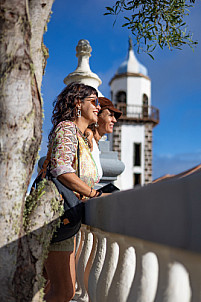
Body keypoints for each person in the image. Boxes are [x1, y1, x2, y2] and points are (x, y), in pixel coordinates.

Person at [44, 82, 105, 302]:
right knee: (63, 291)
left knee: (49, 287)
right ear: (78, 103)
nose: (98, 106)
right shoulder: (67, 129)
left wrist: (90, 134)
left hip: (66, 218)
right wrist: (94, 194)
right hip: (57, 216)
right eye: (93, 101)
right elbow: (61, 169)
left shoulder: (80, 135)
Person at [85, 97, 122, 178]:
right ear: (97, 116)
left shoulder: (95, 143)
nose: (114, 120)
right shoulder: (88, 138)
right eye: (110, 115)